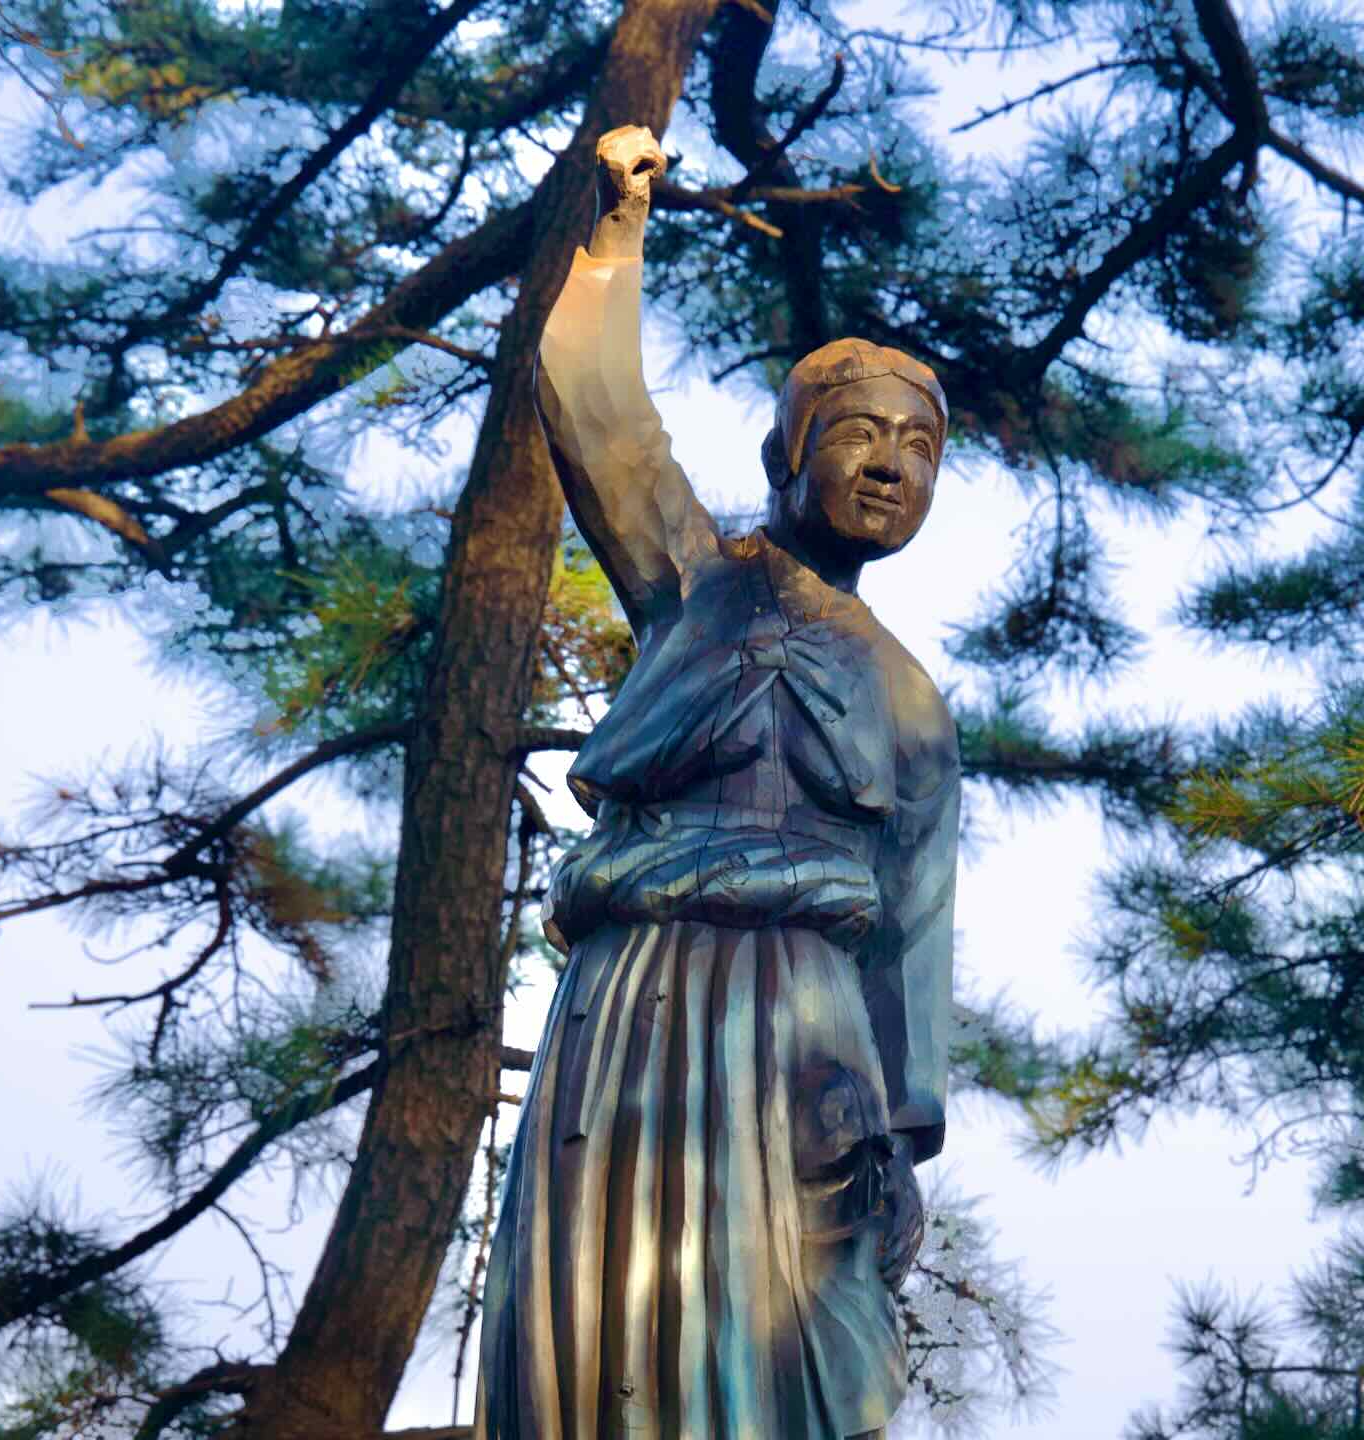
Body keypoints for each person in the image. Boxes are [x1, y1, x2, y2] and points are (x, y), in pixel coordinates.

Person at [473, 124, 957, 1440]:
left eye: (920, 448)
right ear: (785, 455)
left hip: (811, 1035)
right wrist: (617, 237)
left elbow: (912, 931)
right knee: (620, 1316)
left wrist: (904, 1143)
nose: (891, 463)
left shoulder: (911, 701)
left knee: (801, 1338)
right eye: (859, 431)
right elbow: (596, 413)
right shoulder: (702, 581)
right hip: (645, 998)